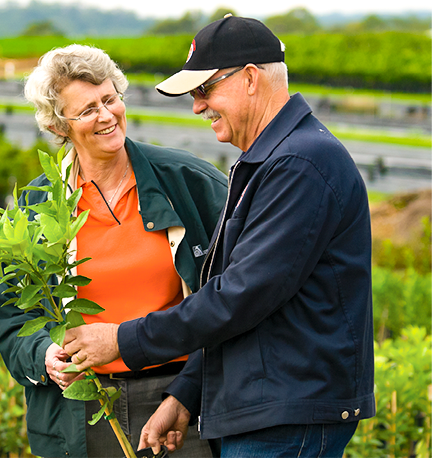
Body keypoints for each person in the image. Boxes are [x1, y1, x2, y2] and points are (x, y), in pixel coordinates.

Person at [62, 15, 375, 457]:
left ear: (249, 79)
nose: (196, 106)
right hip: (269, 408)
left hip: (287, 415)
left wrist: (122, 340)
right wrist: (188, 391)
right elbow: (243, 304)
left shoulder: (300, 164)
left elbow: (240, 296)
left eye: (204, 90)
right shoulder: (271, 160)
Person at [0, 44, 228, 458]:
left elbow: (233, 292)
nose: (105, 116)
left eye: (110, 99)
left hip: (180, 398)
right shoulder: (35, 206)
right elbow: (11, 316)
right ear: (59, 126)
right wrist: (45, 354)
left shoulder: (188, 181)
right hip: (84, 404)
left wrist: (190, 390)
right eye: (86, 110)